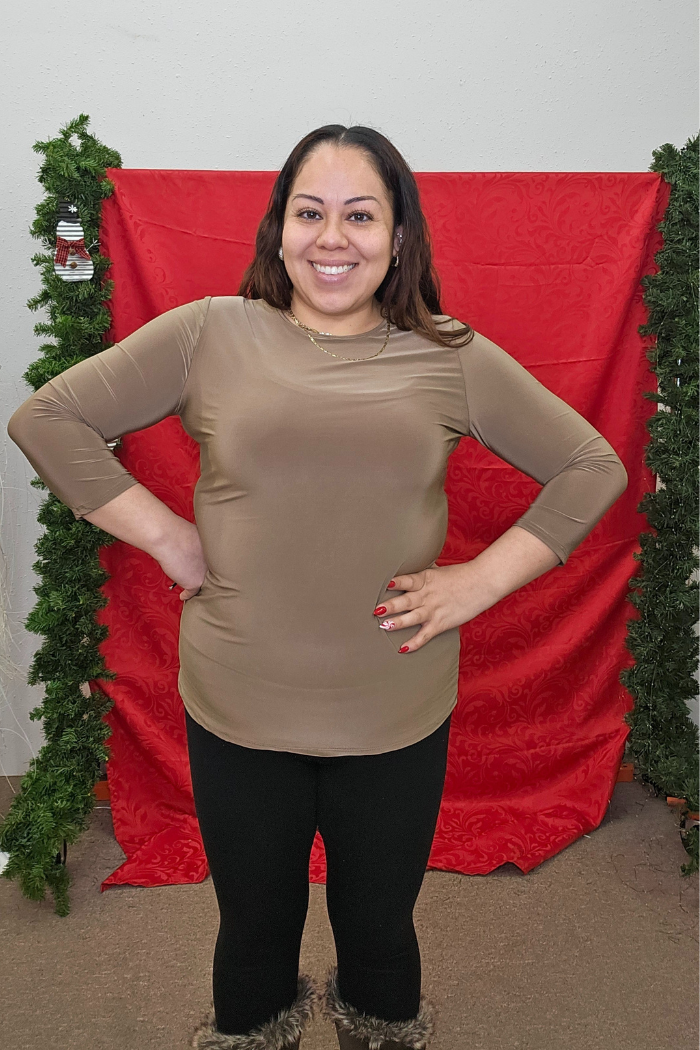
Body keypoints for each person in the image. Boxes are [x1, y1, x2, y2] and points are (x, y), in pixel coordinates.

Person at [7, 124, 628, 1050]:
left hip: (392, 702)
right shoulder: (209, 332)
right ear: (279, 228)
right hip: (239, 696)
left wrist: (481, 581)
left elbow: (591, 465)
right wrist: (170, 539)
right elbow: (47, 417)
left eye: (360, 215)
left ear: (400, 235)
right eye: (310, 213)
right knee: (253, 933)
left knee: (380, 934)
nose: (332, 238)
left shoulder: (449, 353)